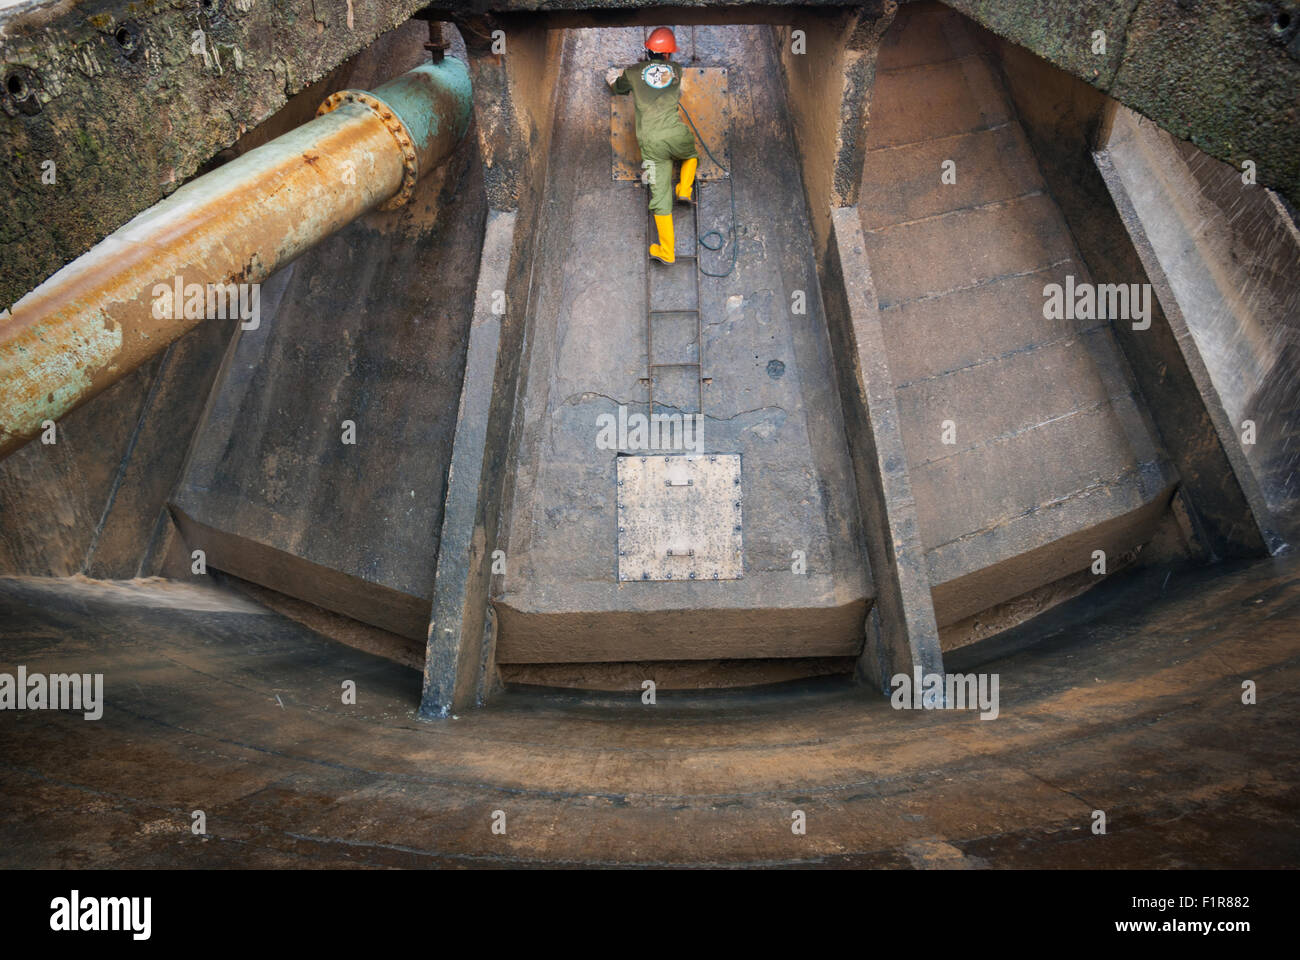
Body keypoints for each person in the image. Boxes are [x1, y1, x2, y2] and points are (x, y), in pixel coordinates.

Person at [606, 27, 699, 264]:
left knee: (659, 196)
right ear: (668, 55)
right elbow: (671, 85)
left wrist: (612, 78)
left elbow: (619, 88)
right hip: (676, 135)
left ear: (647, 51)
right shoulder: (677, 71)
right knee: (691, 155)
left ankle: (666, 252)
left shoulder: (634, 72)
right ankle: (685, 190)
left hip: (650, 143)